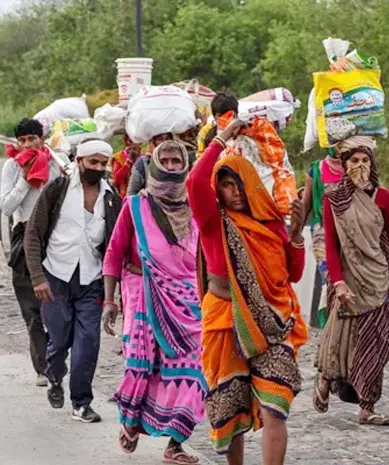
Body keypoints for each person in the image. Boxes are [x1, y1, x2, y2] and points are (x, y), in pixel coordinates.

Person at [187, 118, 307, 465]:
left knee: (276, 405)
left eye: (239, 184)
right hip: (225, 321)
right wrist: (222, 137)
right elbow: (194, 181)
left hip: (273, 323)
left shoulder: (270, 224)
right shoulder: (213, 221)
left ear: (251, 184)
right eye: (226, 185)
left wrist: (296, 235)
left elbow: (293, 275)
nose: (235, 192)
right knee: (232, 409)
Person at [102, 140, 205, 464]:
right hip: (141, 292)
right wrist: (109, 301)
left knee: (193, 369)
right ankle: (132, 421)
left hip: (187, 299)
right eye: (167, 161)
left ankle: (175, 443)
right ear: (156, 166)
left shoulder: (196, 206)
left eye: (177, 161)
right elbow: (114, 253)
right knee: (144, 365)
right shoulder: (135, 206)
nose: (172, 166)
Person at [313, 136, 389, 426]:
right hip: (349, 279)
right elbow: (332, 246)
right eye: (354, 161)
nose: (360, 166)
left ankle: (366, 402)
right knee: (345, 339)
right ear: (344, 164)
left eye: (365, 161)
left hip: (380, 278)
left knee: (381, 339)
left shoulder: (382, 197)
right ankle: (335, 382)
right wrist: (338, 282)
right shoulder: (334, 199)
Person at [24, 138, 122, 423]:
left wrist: (113, 292)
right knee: (59, 339)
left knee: (87, 343)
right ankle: (54, 376)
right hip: (55, 277)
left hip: (91, 280)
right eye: (93, 162)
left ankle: (81, 403)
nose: (98, 168)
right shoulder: (57, 190)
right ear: (79, 161)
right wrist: (38, 278)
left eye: (103, 163)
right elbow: (33, 234)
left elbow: (115, 246)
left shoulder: (111, 198)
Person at [0, 118, 61, 388]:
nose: (27, 145)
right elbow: (7, 207)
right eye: (22, 140)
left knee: (56, 302)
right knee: (32, 308)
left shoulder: (55, 163)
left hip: (54, 237)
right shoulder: (12, 167)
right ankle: (42, 366)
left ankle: (57, 355)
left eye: (32, 139)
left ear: (41, 139)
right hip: (24, 235)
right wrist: (25, 179)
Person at [300, 148, 343, 327]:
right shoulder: (316, 170)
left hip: (350, 234)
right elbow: (305, 205)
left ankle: (344, 329)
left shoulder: (357, 166)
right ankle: (330, 327)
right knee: (332, 281)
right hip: (323, 235)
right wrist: (294, 237)